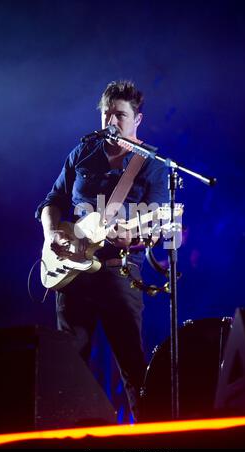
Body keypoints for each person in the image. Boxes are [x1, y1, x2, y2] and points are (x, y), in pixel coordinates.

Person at [35, 80, 169, 421]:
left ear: (137, 120)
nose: (111, 121)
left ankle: (148, 438)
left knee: (132, 365)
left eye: (120, 115)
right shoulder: (82, 153)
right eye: (106, 114)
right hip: (71, 273)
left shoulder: (152, 165)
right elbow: (51, 201)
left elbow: (154, 227)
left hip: (117, 270)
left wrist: (133, 238)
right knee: (68, 366)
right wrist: (52, 232)